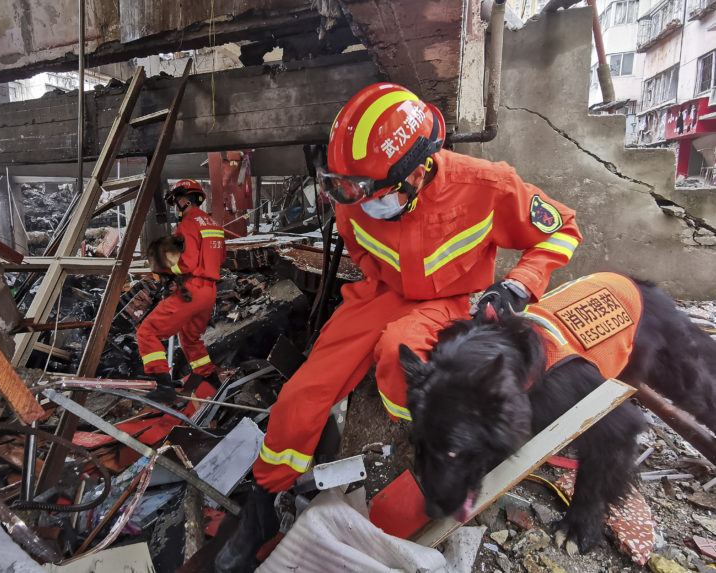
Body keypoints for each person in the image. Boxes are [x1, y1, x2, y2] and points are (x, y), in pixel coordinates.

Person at [215, 83, 583, 570]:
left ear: (419, 170)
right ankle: (264, 500)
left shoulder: (488, 186)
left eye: (371, 192)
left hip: (447, 300)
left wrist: (518, 285)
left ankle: (419, 442)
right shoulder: (355, 195)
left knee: (398, 352)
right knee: (302, 394)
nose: (359, 202)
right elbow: (362, 247)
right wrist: (377, 283)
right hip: (380, 293)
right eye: (348, 188)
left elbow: (563, 229)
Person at [136, 179, 225, 403]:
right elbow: (219, 258)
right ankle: (213, 381)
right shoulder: (213, 225)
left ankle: (163, 384)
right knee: (190, 338)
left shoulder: (188, 223)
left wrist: (166, 268)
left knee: (147, 331)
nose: (176, 206)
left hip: (193, 290)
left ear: (184, 200)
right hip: (209, 292)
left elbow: (187, 262)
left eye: (176, 202)